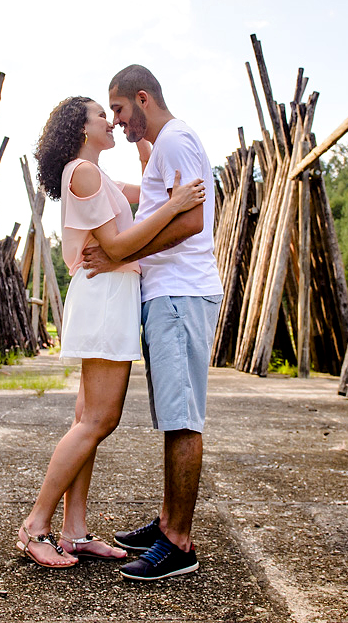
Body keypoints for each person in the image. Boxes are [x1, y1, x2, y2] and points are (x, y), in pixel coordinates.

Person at [16, 95, 206, 568]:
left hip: (109, 295)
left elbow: (141, 193)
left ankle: (74, 531)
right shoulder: (83, 172)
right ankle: (35, 527)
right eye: (102, 115)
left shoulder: (95, 175)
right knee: (99, 420)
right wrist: (177, 204)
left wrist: (151, 156)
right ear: (81, 129)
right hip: (104, 298)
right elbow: (119, 244)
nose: (110, 121)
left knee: (88, 418)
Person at [82, 64, 222, 581]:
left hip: (181, 294)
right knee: (172, 415)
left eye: (118, 109)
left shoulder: (176, 140)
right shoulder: (164, 147)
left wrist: (121, 256)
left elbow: (191, 220)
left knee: (183, 419)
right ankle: (167, 523)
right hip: (169, 294)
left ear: (142, 99)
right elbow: (163, 203)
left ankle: (179, 543)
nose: (116, 122)